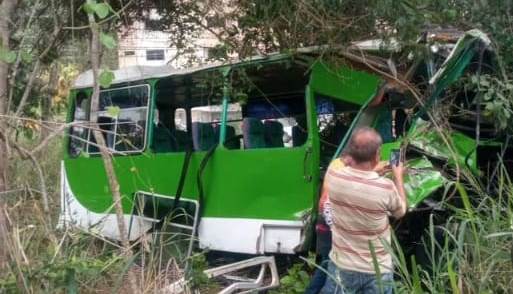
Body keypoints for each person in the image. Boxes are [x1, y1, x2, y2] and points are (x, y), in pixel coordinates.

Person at [319, 127, 407, 294]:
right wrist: (398, 176)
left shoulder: (335, 177)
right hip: (377, 268)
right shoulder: (386, 187)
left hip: (342, 265)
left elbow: (353, 176)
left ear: (350, 152)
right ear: (377, 154)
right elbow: (400, 210)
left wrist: (372, 170)